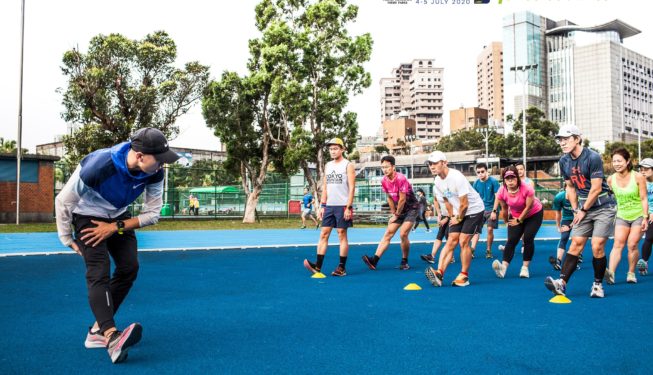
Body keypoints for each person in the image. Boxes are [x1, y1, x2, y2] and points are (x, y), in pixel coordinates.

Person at [55, 127, 180, 363]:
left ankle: (96, 331)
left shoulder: (154, 172)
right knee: (98, 271)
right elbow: (63, 201)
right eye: (160, 160)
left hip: (118, 217)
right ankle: (111, 336)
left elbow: (153, 213)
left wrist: (114, 227)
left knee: (129, 268)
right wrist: (67, 237)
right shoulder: (98, 166)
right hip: (87, 216)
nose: (163, 165)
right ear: (140, 156)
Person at [544, 125, 616, 298]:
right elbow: (570, 186)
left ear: (577, 139)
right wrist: (576, 209)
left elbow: (596, 188)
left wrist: (583, 210)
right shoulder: (564, 161)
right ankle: (561, 283)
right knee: (576, 243)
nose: (562, 143)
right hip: (583, 208)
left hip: (603, 207)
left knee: (597, 245)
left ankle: (598, 285)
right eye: (560, 140)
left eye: (566, 139)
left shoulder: (593, 157)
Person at [424, 151, 485, 287]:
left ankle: (464, 276)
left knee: (463, 241)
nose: (432, 166)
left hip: (474, 210)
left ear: (444, 163)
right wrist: (451, 216)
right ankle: (439, 273)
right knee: (451, 240)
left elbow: (465, 204)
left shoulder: (457, 177)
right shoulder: (437, 182)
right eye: (430, 164)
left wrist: (458, 218)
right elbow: (447, 201)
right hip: (458, 212)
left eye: (435, 163)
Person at [303, 138, 355, 277]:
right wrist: (322, 205)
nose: (333, 151)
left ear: (342, 149)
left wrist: (349, 207)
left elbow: (352, 187)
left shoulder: (348, 165)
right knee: (324, 233)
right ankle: (318, 266)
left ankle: (341, 268)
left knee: (341, 234)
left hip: (343, 205)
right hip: (329, 206)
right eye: (331, 149)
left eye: (336, 148)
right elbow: (325, 187)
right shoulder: (328, 165)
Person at [362, 155, 419, 271]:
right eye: (382, 167)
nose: (384, 169)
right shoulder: (383, 180)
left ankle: (404, 261)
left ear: (393, 167)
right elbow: (389, 197)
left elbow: (402, 199)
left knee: (403, 233)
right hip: (399, 209)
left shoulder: (401, 178)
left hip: (412, 208)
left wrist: (397, 215)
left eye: (387, 167)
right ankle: (374, 260)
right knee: (388, 232)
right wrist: (394, 213)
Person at [490, 166, 544, 279]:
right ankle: (503, 268)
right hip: (515, 215)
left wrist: (519, 220)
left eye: (512, 178)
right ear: (504, 180)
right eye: (507, 178)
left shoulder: (527, 188)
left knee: (528, 238)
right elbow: (504, 209)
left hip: (533, 214)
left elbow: (529, 207)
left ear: (517, 178)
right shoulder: (501, 191)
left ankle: (525, 268)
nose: (510, 181)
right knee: (511, 240)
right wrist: (506, 221)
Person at [605, 148, 648, 284]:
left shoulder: (638, 177)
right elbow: (609, 198)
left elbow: (643, 198)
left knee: (632, 244)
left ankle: (631, 272)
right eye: (614, 161)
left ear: (627, 161)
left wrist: (646, 217)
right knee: (617, 244)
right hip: (622, 215)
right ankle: (610, 273)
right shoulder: (611, 179)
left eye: (620, 161)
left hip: (638, 215)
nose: (617, 164)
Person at [471, 163, 501, 259]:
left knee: (489, 229)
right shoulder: (476, 183)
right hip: (480, 210)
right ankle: (471, 250)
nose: (480, 174)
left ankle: (488, 250)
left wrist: (494, 211)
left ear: (487, 171)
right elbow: (474, 198)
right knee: (476, 232)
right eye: (478, 172)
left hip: (491, 209)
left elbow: (498, 197)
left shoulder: (493, 181)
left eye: (482, 171)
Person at [420, 193, 456, 264]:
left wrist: (447, 218)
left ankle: (451, 256)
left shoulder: (448, 189)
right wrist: (439, 213)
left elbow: (452, 205)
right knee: (439, 235)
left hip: (453, 215)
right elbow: (435, 200)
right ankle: (432, 256)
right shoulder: (436, 188)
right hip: (444, 215)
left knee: (447, 235)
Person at [549, 189, 578, 271]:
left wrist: (570, 227)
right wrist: (558, 226)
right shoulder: (559, 197)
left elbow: (579, 215)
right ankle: (558, 261)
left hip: (580, 218)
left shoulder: (579, 196)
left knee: (577, 238)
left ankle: (578, 257)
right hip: (567, 219)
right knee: (564, 237)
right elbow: (558, 213)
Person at [637, 158, 653, 276]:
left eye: (646, 169)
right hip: (645, 214)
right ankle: (644, 261)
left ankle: (644, 261)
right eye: (641, 169)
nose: (643, 171)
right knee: (649, 237)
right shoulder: (640, 183)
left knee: (649, 237)